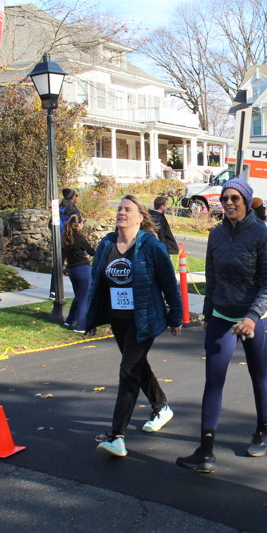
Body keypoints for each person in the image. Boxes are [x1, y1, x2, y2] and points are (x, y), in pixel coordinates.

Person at [177, 178, 267, 473]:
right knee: (213, 381)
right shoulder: (217, 235)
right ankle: (205, 451)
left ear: (246, 201)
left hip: (257, 319)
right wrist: (208, 315)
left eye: (235, 198)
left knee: (258, 375)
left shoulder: (262, 235)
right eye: (224, 199)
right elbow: (212, 278)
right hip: (222, 316)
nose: (229, 203)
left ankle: (263, 433)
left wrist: (251, 316)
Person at [86, 195, 183, 458]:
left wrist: (176, 317)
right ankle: (161, 407)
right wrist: (90, 318)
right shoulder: (107, 243)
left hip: (145, 319)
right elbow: (96, 284)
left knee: (128, 370)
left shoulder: (151, 246)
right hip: (118, 319)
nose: (121, 212)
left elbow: (169, 283)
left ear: (140, 217)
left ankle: (117, 436)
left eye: (128, 209)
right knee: (137, 366)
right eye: (119, 208)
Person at [62, 215, 97, 332]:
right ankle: (81, 325)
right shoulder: (79, 238)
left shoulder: (66, 237)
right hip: (83, 269)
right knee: (84, 298)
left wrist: (83, 255)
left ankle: (70, 320)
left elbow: (72, 253)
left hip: (72, 270)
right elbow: (92, 251)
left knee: (78, 296)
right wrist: (88, 255)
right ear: (79, 224)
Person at [51, 189, 82, 299]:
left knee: (57, 265)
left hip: (59, 241)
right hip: (71, 242)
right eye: (75, 195)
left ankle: (53, 291)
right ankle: (78, 290)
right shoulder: (74, 210)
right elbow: (77, 225)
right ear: (72, 197)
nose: (76, 197)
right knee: (76, 265)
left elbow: (51, 224)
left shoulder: (57, 209)